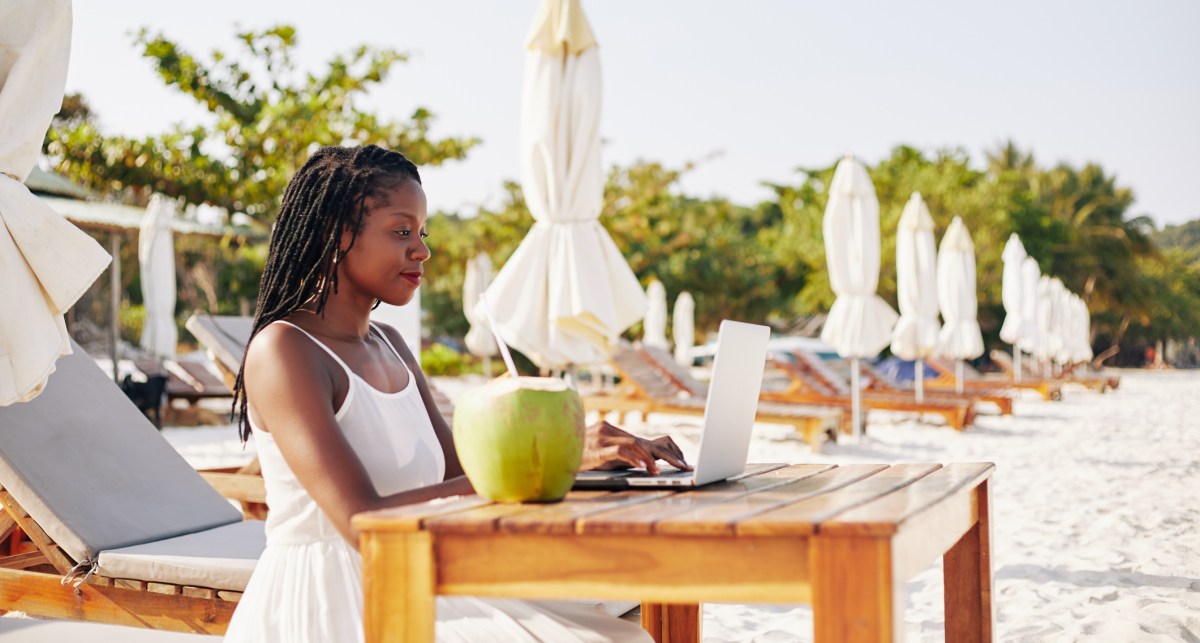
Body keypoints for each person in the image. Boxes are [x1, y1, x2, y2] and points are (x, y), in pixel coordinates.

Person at [224, 144, 688, 643]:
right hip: (337, 597)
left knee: (621, 613)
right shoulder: (285, 351)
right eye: (401, 232)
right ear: (334, 234)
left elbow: (461, 476)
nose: (421, 251)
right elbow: (362, 524)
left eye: (422, 233)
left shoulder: (390, 344)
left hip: (423, 573)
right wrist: (559, 461)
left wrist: (578, 455)